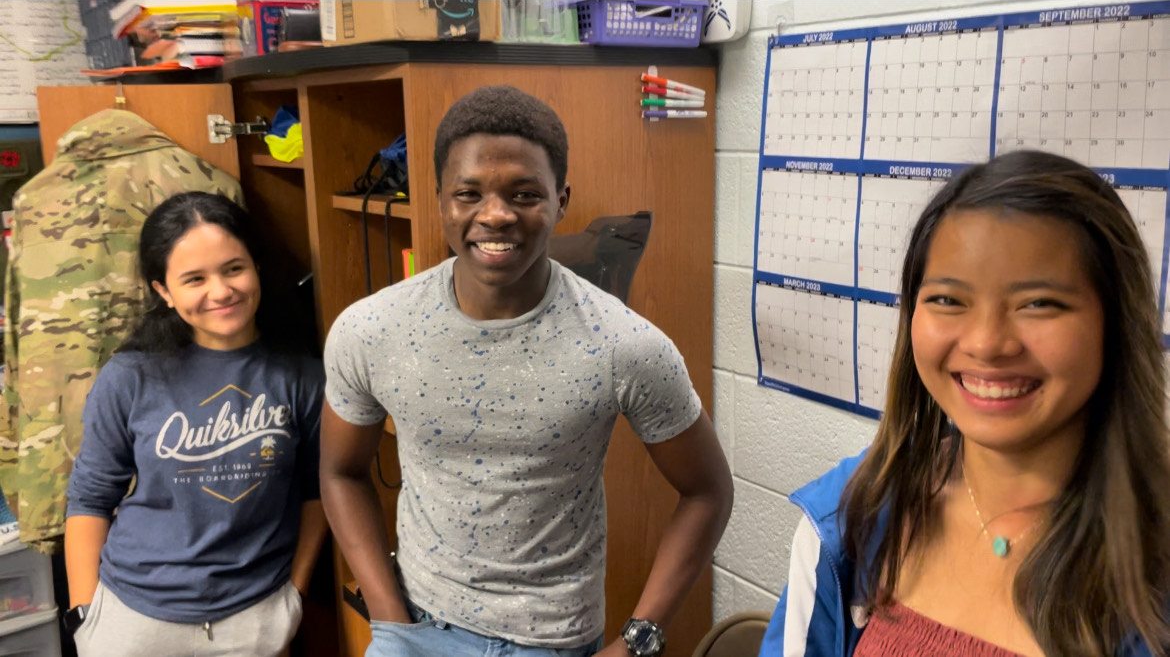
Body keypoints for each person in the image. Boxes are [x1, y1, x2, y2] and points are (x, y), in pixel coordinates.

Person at [320, 85, 734, 657]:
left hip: (553, 642)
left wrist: (639, 641)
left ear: (561, 201)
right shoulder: (371, 330)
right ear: (438, 199)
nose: (495, 215)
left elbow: (708, 492)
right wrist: (390, 620)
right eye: (468, 193)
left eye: (524, 194)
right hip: (416, 628)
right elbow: (340, 473)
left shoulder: (625, 345)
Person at [760, 150, 1170, 656]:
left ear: (1117, 323)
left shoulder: (1154, 563)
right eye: (949, 300)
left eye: (1038, 303)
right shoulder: (852, 521)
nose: (987, 343)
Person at [63, 192, 328, 657]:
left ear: (257, 267)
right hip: (133, 621)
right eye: (194, 279)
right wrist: (86, 615)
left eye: (233, 269)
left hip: (256, 618)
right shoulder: (130, 376)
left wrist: (294, 597)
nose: (221, 291)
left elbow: (318, 491)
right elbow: (89, 499)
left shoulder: (301, 374)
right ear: (163, 290)